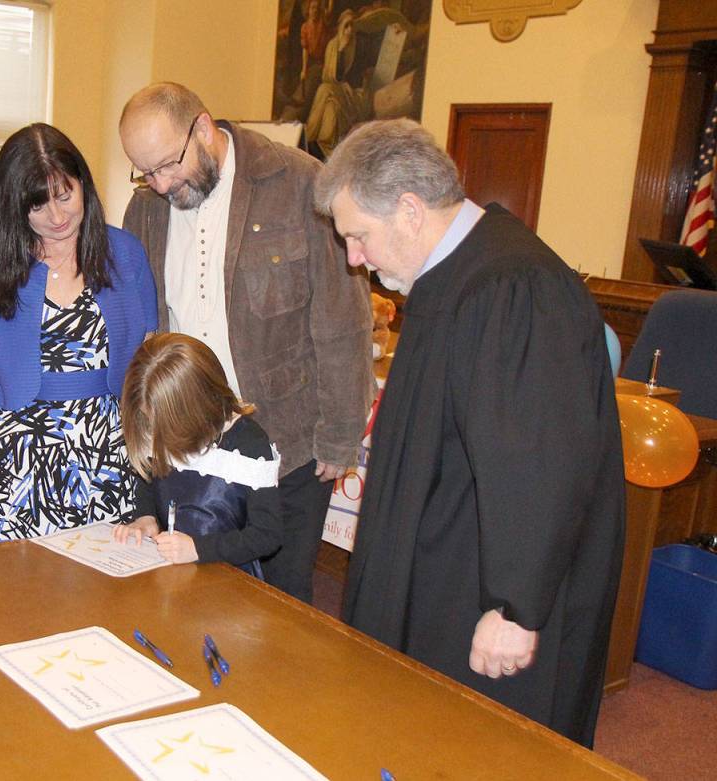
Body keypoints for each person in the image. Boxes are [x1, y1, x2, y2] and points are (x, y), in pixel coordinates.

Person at [314, 118, 625, 747]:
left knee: (488, 747)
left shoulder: (513, 287)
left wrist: (515, 609)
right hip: (445, 569)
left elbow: (541, 465)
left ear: (407, 211)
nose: (354, 258)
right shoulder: (456, 277)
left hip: (487, 598)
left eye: (357, 236)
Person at [119, 82, 373, 604]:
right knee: (192, 586)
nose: (161, 184)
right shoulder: (145, 209)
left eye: (169, 164)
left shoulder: (300, 184)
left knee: (279, 599)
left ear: (204, 128)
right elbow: (144, 327)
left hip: (288, 437)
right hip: (189, 439)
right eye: (147, 172)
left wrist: (341, 432)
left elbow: (343, 319)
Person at [0, 123, 158, 545]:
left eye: (65, 196)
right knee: (12, 588)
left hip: (106, 448)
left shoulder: (125, 253)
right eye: (38, 206)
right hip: (12, 453)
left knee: (103, 582)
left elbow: (149, 354)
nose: (57, 217)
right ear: (13, 205)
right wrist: (16, 411)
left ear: (84, 185)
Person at [113, 333, 282, 576]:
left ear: (196, 408)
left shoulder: (249, 444)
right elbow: (148, 481)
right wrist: (145, 517)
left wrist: (199, 549)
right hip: (173, 569)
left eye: (160, 423)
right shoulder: (157, 420)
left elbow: (267, 534)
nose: (155, 431)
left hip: (230, 578)